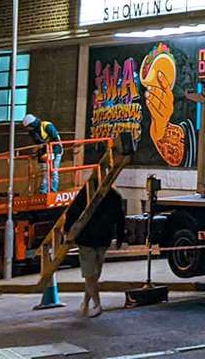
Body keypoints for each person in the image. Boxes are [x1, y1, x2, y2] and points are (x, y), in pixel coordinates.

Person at [67, 184, 125, 317]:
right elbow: (120, 218)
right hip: (103, 239)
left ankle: (96, 305)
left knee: (90, 275)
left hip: (87, 239)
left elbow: (72, 212)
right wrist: (120, 237)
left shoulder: (86, 193)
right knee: (94, 275)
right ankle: (87, 304)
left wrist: (68, 232)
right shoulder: (114, 196)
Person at [22, 113, 64, 194]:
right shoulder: (33, 132)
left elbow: (56, 141)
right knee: (45, 172)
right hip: (45, 152)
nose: (29, 129)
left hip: (56, 150)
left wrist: (52, 154)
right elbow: (39, 144)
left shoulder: (47, 126)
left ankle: (53, 190)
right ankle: (43, 191)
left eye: (29, 127)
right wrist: (39, 153)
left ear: (32, 124)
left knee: (53, 171)